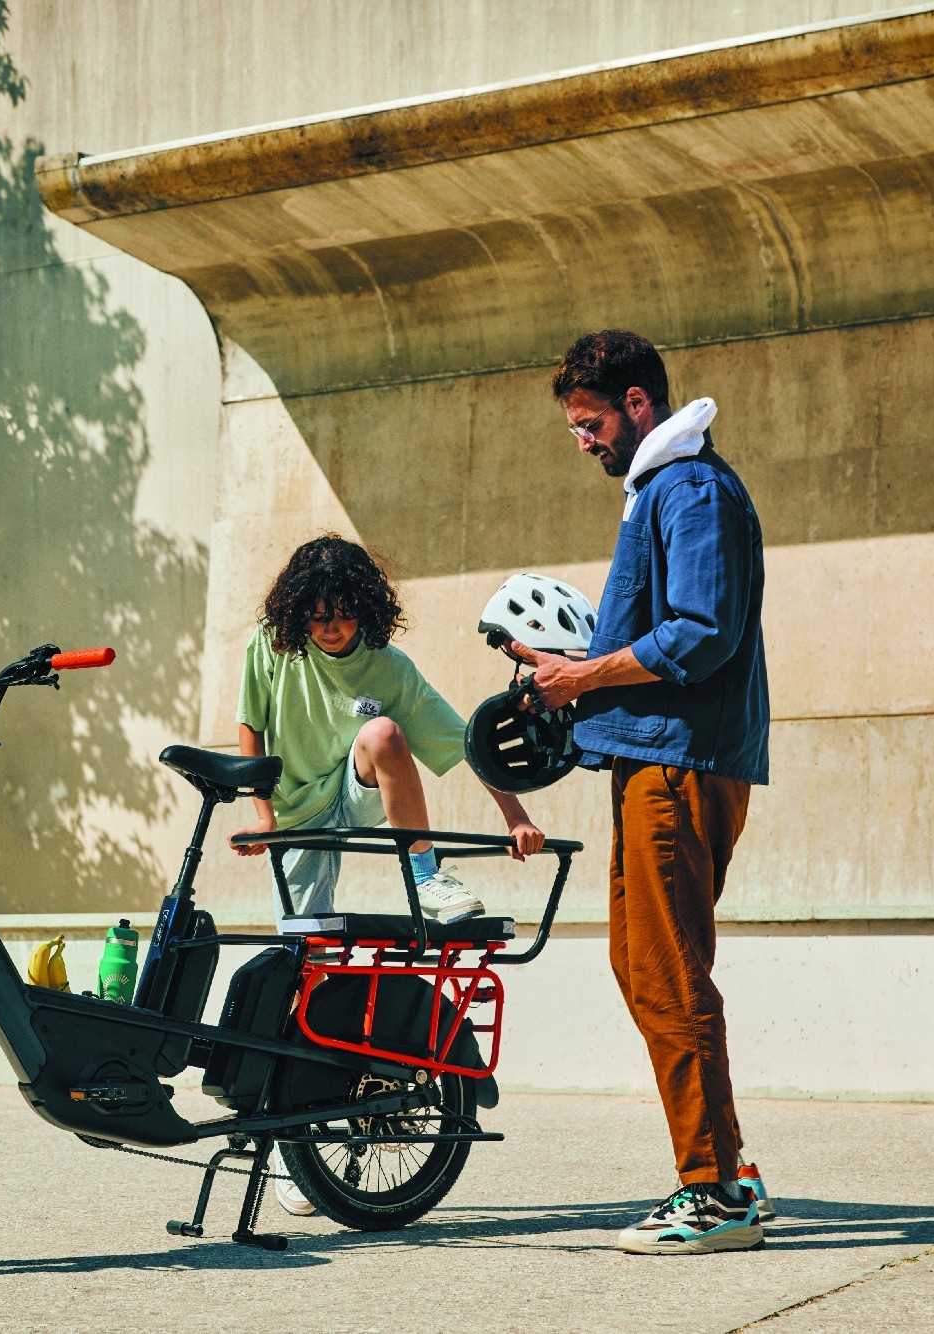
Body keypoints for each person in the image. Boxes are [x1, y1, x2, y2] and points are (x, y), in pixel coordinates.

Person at [506, 330, 773, 1255]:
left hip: (682, 764)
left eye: (589, 424)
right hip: (658, 761)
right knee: (642, 962)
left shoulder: (689, 489)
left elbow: (703, 632)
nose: (582, 441)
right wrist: (568, 668)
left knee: (667, 970)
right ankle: (728, 1167)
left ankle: (714, 1193)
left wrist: (582, 679)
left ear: (636, 403)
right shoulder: (664, 489)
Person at [230, 534, 546, 1217]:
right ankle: (299, 1134)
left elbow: (462, 743)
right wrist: (262, 817)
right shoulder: (273, 647)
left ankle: (426, 874)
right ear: (295, 617)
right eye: (315, 616)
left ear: (364, 608)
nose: (329, 627)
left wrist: (516, 815)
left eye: (341, 612)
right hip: (293, 811)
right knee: (303, 963)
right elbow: (249, 726)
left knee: (383, 735)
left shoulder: (388, 670)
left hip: (356, 788)